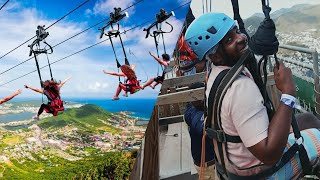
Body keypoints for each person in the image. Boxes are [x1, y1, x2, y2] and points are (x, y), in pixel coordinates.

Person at [185, 12, 320, 179]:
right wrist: (288, 93)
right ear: (216, 55)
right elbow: (269, 155)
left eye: (236, 31)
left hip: (234, 164)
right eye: (229, 40)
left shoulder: (215, 74)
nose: (241, 38)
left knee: (307, 120)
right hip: (259, 172)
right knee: (318, 138)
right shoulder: (239, 88)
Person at [184, 83, 216, 180]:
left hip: (204, 163)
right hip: (208, 166)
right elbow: (202, 127)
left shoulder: (190, 109)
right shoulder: (195, 115)